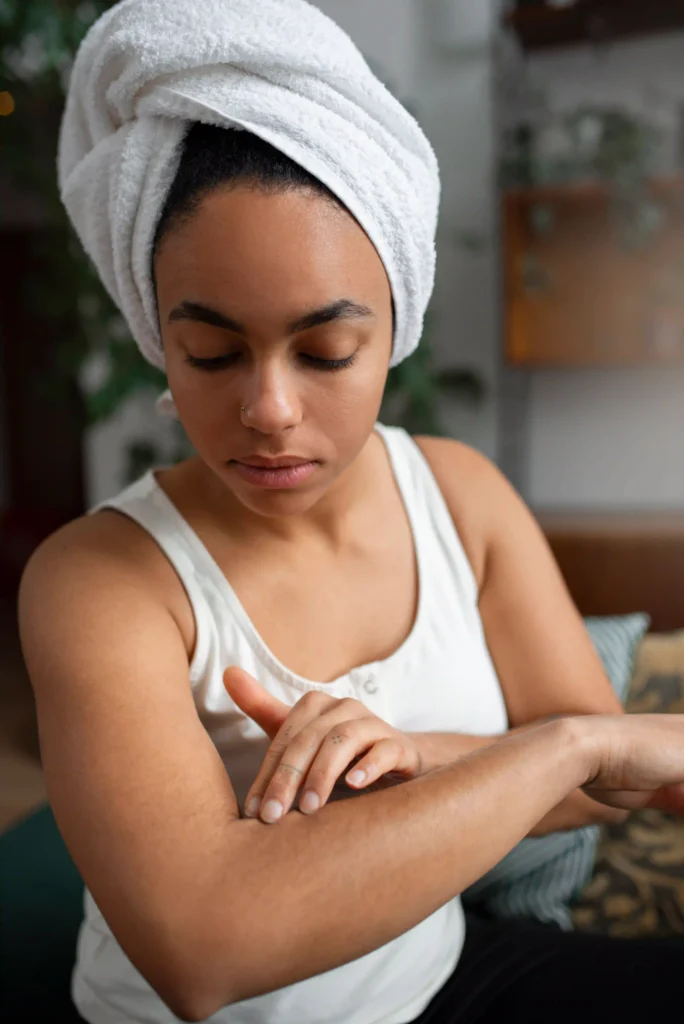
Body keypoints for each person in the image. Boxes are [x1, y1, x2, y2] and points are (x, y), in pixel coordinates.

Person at [19, 2, 684, 1023]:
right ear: (161, 337)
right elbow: (203, 948)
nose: (271, 411)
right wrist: (558, 747)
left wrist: (417, 757)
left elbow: (606, 784)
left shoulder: (460, 496)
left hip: (444, 977)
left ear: (394, 331)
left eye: (327, 352)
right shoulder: (100, 580)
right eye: (212, 352)